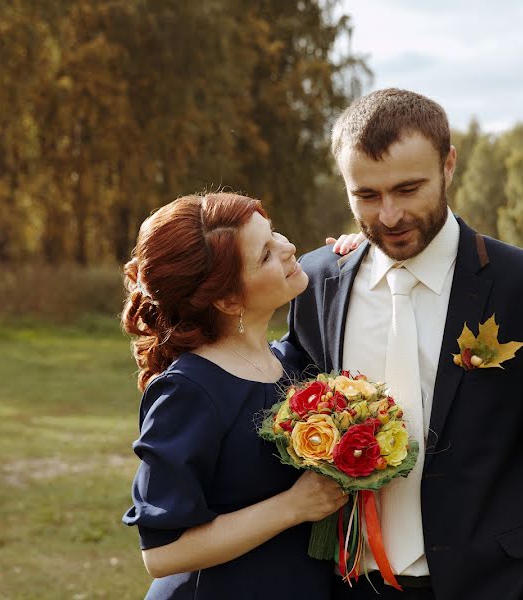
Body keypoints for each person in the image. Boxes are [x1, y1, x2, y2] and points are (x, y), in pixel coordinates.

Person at [277, 89, 523, 600]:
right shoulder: (316, 282)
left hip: (490, 586)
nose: (388, 216)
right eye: (366, 196)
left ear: (448, 165)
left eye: (408, 189)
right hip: (341, 585)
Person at [121, 193, 352, 600]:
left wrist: (354, 256)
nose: (288, 247)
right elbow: (161, 552)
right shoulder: (189, 390)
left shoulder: (293, 361)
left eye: (274, 232)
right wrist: (292, 506)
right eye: (265, 255)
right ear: (228, 300)